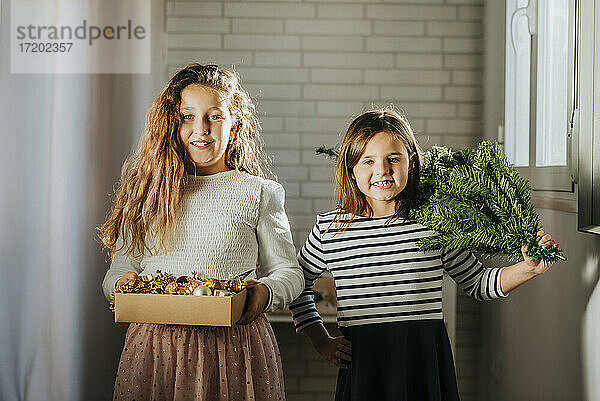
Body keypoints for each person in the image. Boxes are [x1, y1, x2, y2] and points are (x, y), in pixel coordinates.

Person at [289, 108, 558, 401]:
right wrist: (321, 340)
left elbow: (479, 282)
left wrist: (529, 269)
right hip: (366, 369)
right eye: (368, 161)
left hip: (425, 365)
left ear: (411, 162)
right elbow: (295, 285)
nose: (382, 170)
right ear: (351, 169)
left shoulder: (435, 222)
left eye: (393, 159)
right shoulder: (330, 229)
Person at [100, 63, 304, 401]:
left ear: (234, 126)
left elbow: (289, 272)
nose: (202, 129)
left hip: (234, 347)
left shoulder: (258, 193)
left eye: (215, 117)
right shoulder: (147, 194)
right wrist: (121, 286)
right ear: (171, 125)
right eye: (187, 117)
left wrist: (265, 292)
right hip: (156, 348)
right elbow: (118, 272)